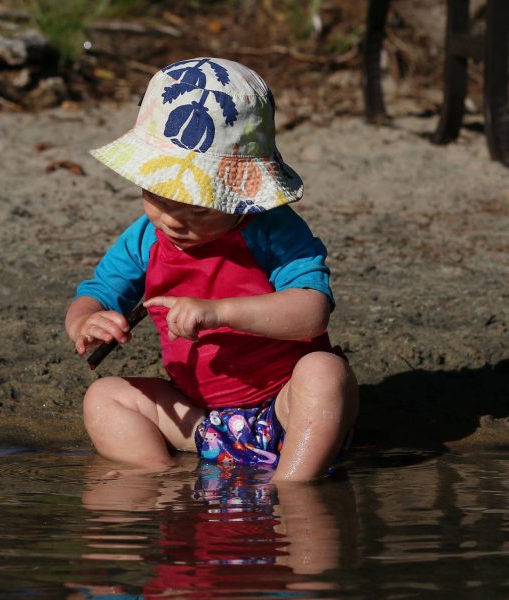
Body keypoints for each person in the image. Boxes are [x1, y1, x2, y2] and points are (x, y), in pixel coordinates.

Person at [64, 57, 359, 481]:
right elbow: (95, 293)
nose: (172, 220)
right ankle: (160, 482)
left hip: (287, 408)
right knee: (104, 397)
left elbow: (311, 313)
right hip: (200, 420)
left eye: (196, 209)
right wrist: (86, 322)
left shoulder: (272, 231)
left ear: (241, 193)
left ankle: (294, 489)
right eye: (157, 198)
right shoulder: (146, 237)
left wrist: (220, 312)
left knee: (324, 372)